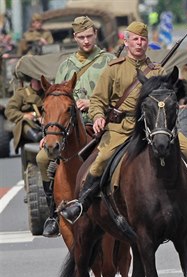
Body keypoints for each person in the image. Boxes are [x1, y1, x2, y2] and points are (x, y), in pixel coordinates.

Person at [58, 21, 187, 223]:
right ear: (127, 41)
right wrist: (98, 116)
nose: (139, 43)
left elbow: (168, 97)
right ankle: (82, 202)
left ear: (147, 42)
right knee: (101, 159)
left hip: (154, 128)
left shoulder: (157, 71)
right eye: (135, 39)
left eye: (143, 39)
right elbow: (97, 100)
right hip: (121, 128)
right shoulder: (114, 69)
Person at [35, 16, 116, 237]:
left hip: (101, 125)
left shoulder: (109, 61)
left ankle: (120, 208)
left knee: (118, 157)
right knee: (43, 159)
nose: (86, 41)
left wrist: (92, 103)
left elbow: (118, 96)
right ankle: (54, 213)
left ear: (95, 35)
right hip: (68, 129)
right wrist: (48, 133)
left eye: (89, 36)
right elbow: (54, 101)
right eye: (81, 37)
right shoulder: (66, 66)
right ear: (74, 38)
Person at [5, 75, 44, 153]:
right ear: (31, 80)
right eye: (37, 80)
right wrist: (24, 115)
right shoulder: (22, 93)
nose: (40, 83)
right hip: (29, 126)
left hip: (45, 125)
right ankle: (36, 136)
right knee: (24, 122)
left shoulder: (48, 93)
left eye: (42, 81)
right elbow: (9, 110)